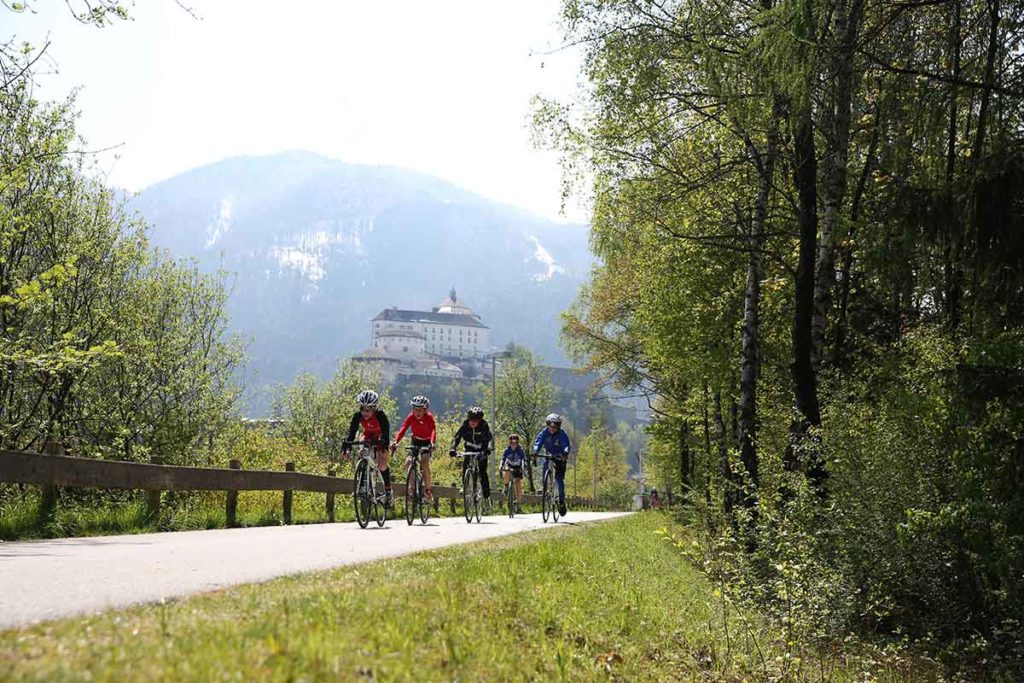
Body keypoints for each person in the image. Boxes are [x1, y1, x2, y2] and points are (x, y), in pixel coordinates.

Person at [342, 390, 393, 507]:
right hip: (368, 435)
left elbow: (386, 432)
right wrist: (347, 448)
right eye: (362, 409)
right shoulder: (357, 416)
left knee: (381, 463)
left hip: (380, 435)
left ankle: (388, 491)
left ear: (374, 408)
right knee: (362, 451)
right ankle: (362, 486)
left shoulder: (380, 415)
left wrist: (384, 444)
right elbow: (351, 434)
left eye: (368, 410)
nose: (364, 412)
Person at [391, 395, 436, 500]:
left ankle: (428, 490)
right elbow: (403, 428)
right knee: (408, 462)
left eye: (420, 410)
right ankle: (411, 487)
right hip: (415, 440)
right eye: (415, 409)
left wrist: (432, 442)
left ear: (425, 410)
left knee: (424, 463)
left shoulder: (429, 417)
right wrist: (395, 441)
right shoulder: (411, 417)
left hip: (427, 442)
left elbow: (433, 430)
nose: (417, 412)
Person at [449, 406, 493, 502]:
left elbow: (490, 439)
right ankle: (465, 486)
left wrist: (488, 449)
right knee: (466, 466)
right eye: (471, 420)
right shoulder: (465, 425)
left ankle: (486, 496)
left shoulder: (484, 425)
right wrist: (452, 448)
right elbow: (456, 437)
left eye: (476, 420)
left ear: (480, 420)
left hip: (482, 450)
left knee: (482, 471)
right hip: (469, 449)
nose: (473, 422)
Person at [532, 412, 571, 517]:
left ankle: (561, 501)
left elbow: (566, 445)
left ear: (558, 426)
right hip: (549, 455)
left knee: (559, 479)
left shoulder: (562, 434)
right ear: (547, 424)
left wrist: (565, 453)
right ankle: (546, 489)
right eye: (550, 425)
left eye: (555, 426)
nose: (552, 428)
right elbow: (538, 442)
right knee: (545, 469)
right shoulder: (544, 433)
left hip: (560, 456)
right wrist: (535, 452)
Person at [500, 433, 527, 513]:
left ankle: (518, 502)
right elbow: (503, 459)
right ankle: (506, 486)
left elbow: (523, 460)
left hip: (518, 467)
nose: (514, 445)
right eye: (512, 443)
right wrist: (500, 466)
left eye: (515, 443)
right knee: (507, 471)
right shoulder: (507, 450)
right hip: (509, 465)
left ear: (518, 443)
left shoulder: (520, 450)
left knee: (518, 482)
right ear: (510, 443)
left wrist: (523, 468)